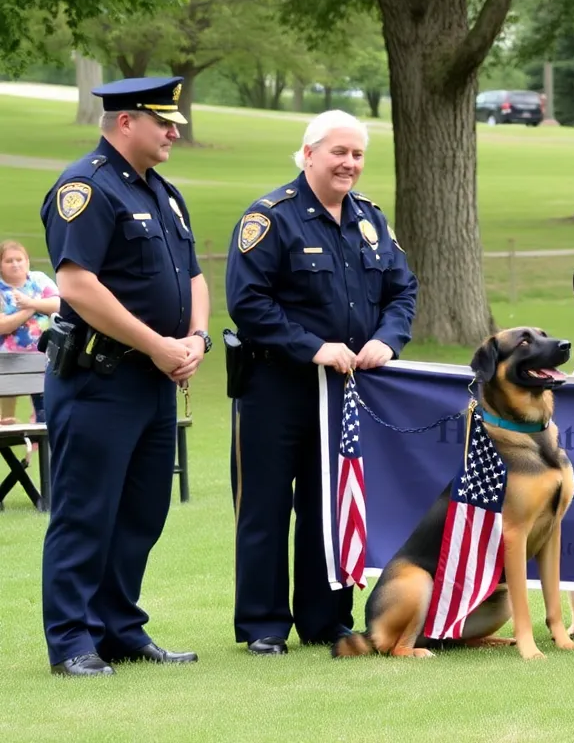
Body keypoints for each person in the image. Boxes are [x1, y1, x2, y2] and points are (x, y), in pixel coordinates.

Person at [226, 110, 418, 656]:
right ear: (308, 153)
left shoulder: (371, 221)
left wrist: (388, 337)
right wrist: (313, 347)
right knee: (264, 506)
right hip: (274, 387)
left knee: (329, 505)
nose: (349, 164)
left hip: (342, 393)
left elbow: (403, 291)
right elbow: (249, 303)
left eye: (357, 154)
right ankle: (263, 625)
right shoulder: (271, 218)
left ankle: (326, 619)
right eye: (339, 152)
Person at [39, 76, 208, 677]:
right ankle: (71, 642)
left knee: (142, 512)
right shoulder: (86, 187)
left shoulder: (165, 193)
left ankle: (119, 630)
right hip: (98, 380)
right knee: (86, 512)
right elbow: (77, 284)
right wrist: (159, 344)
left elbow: (193, 277)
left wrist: (195, 339)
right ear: (125, 122)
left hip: (153, 381)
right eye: (162, 122)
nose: (172, 132)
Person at [0, 240, 60, 423]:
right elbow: (3, 326)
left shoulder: (38, 279)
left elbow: (59, 305)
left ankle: (40, 438)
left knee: (45, 411)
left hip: (42, 356)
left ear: (27, 261)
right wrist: (31, 308)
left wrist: (30, 302)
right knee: (7, 416)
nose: (15, 264)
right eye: (9, 260)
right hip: (7, 360)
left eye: (20, 259)